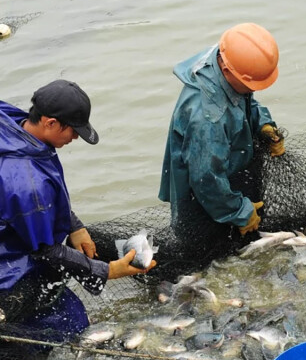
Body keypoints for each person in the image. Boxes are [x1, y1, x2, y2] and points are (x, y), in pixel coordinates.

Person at [0, 80, 153, 340]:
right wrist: (107, 271)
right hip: (9, 267)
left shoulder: (11, 120)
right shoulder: (28, 183)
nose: (75, 138)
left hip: (17, 225)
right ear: (50, 122)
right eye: (72, 131)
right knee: (68, 327)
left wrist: (74, 225)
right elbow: (45, 250)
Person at [158, 23, 285, 263]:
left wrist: (264, 124)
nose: (253, 89)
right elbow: (206, 179)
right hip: (200, 197)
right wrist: (240, 212)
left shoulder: (224, 59)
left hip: (226, 173)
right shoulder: (208, 118)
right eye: (251, 83)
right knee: (206, 260)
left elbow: (246, 100)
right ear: (227, 69)